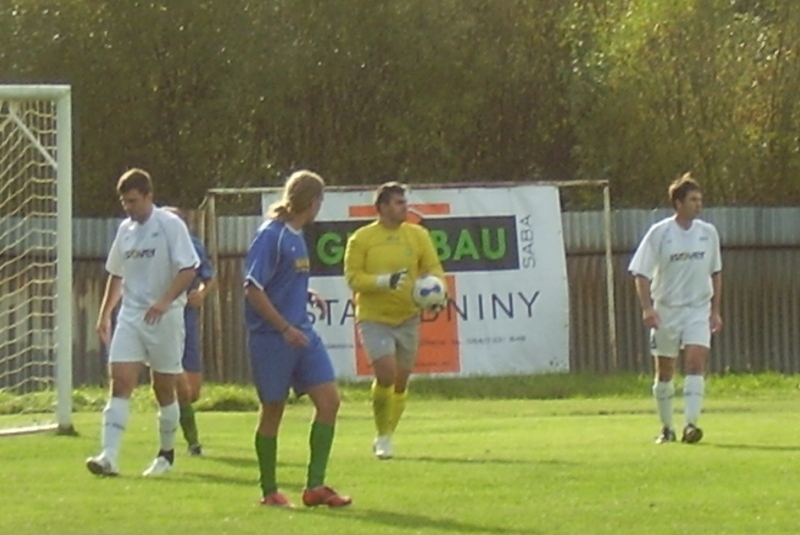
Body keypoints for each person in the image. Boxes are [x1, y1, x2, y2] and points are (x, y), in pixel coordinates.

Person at [244, 169, 351, 508]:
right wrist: (284, 328)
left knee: (330, 401)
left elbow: (281, 282)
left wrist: (307, 294)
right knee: (273, 410)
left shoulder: (296, 234)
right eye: (320, 200)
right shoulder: (271, 235)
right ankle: (270, 491)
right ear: (314, 201)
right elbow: (253, 289)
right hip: (273, 338)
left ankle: (315, 486)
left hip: (302, 334)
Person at [87, 168, 200, 476]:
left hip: (166, 317)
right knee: (120, 381)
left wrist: (164, 302)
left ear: (149, 196)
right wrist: (105, 313)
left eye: (134, 201)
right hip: (132, 315)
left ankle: (166, 454)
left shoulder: (169, 225)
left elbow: (189, 269)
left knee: (164, 388)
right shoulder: (125, 230)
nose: (129, 207)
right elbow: (117, 273)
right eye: (125, 202)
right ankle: (108, 456)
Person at [343, 181, 446, 460]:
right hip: (373, 317)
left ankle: (389, 431)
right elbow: (353, 278)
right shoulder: (361, 239)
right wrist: (384, 282)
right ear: (383, 207)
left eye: (405, 202)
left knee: (401, 381)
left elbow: (433, 267)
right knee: (385, 373)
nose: (405, 207)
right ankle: (383, 437)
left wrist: (438, 288)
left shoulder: (418, 235)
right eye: (399, 203)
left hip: (408, 316)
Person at [628, 172, 723, 445]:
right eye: (693, 199)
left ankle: (691, 426)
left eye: (700, 199)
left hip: (697, 309)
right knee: (665, 370)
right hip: (667, 310)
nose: (698, 204)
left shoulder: (708, 233)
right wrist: (647, 308)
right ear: (678, 203)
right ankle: (667, 427)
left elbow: (717, 272)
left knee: (695, 363)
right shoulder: (660, 233)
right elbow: (641, 273)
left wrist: (715, 311)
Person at [162, 207, 216, 457]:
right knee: (176, 383)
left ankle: (173, 417)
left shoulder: (193, 245)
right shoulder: (150, 244)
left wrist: (201, 293)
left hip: (187, 318)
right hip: (160, 318)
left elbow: (209, 277)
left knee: (191, 390)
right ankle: (188, 443)